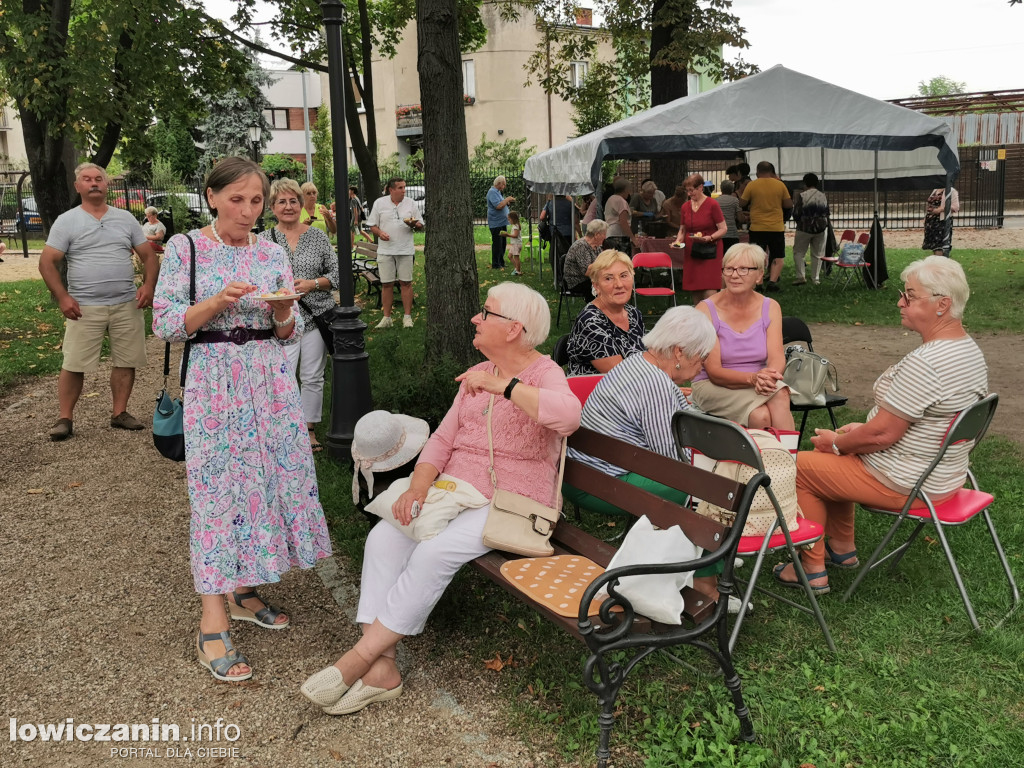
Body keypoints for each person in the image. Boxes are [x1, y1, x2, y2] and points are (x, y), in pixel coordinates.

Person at [300, 283, 581, 716]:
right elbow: (443, 439)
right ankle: (384, 668)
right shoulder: (477, 370)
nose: (476, 318)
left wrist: (503, 387)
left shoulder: (545, 374)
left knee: (434, 552)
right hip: (457, 491)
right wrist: (418, 486)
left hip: (513, 500)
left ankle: (357, 659)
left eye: (486, 313)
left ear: (514, 329)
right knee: (383, 540)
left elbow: (568, 417)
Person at [152, 157, 332, 682]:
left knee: (265, 485)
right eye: (237, 200)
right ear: (211, 196)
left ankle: (242, 588)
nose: (249, 211)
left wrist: (281, 311)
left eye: (256, 201)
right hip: (213, 384)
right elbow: (166, 323)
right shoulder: (185, 248)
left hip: (270, 385)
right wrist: (214, 301)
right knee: (217, 494)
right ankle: (212, 619)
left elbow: (288, 333)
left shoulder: (273, 252)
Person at [774, 256, 987, 595]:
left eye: (910, 295)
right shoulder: (967, 350)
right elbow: (918, 419)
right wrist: (856, 434)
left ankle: (810, 568)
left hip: (908, 481)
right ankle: (841, 549)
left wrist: (840, 443)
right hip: (943, 475)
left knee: (798, 467)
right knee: (832, 458)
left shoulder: (928, 362)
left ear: (942, 305)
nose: (900, 301)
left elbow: (883, 434)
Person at [562, 306, 744, 612]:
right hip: (600, 484)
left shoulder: (638, 362)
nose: (702, 367)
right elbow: (668, 463)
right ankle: (705, 580)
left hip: (582, 473)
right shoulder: (655, 384)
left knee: (699, 484)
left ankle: (704, 550)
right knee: (701, 488)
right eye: (700, 358)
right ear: (678, 352)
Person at [37, 162, 159, 441]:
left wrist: (148, 286)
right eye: (86, 179)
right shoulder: (67, 221)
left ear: (107, 185)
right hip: (83, 306)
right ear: (77, 186)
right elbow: (47, 263)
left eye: (99, 179)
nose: (94, 183)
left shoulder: (126, 218)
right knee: (74, 362)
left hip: (127, 303)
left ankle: (120, 413)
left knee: (126, 360)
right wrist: (63, 297)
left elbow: (148, 256)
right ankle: (65, 418)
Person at [260, 178, 340, 453]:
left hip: (316, 315)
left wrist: (313, 284)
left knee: (313, 375)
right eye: (281, 201)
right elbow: (256, 279)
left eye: (293, 200)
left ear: (302, 203)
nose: (288, 206)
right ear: (272, 207)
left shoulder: (317, 236)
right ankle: (284, 427)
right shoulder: (263, 241)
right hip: (282, 319)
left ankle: (308, 429)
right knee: (282, 375)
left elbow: (338, 275)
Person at [690, 243, 794, 430]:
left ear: (760, 275)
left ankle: (786, 458)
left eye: (744, 269)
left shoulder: (770, 307)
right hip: (713, 385)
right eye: (729, 268)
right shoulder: (705, 310)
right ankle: (768, 458)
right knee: (760, 415)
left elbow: (777, 357)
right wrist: (753, 379)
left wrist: (768, 378)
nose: (735, 275)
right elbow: (715, 372)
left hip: (760, 382)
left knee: (781, 394)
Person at [566, 249, 645, 377]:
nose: (619, 284)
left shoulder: (633, 314)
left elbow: (646, 360)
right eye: (608, 278)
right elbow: (622, 375)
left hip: (632, 391)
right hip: (595, 393)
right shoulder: (590, 321)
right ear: (596, 286)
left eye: (624, 275)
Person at [366, 177, 423, 329]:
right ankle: (387, 318)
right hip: (385, 250)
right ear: (391, 190)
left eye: (404, 187)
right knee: (386, 284)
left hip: (405, 249)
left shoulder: (410, 203)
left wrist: (414, 224)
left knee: (406, 283)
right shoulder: (380, 203)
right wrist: (380, 234)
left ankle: (407, 317)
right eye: (400, 188)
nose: (404, 190)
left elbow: (420, 224)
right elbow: (372, 225)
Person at [672, 173, 727, 304]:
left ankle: (712, 317)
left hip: (710, 249)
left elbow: (723, 228)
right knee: (695, 287)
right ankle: (698, 315)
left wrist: (710, 237)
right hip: (692, 250)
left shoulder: (712, 204)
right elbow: (682, 229)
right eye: (687, 191)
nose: (689, 194)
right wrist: (678, 241)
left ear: (701, 187)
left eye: (691, 190)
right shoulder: (685, 207)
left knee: (709, 287)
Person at [740, 161, 793, 292]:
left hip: (757, 227)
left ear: (758, 171)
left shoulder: (752, 185)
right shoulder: (780, 185)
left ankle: (758, 283)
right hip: (776, 227)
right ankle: (772, 282)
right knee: (777, 255)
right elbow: (788, 204)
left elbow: (742, 203)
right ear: (771, 171)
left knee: (756, 257)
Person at [791, 172, 830, 286]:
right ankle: (815, 279)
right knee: (818, 254)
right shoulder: (822, 195)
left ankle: (801, 276)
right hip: (821, 228)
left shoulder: (803, 195)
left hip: (804, 228)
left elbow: (797, 213)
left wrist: (799, 221)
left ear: (805, 183)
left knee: (799, 252)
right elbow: (827, 212)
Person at [562, 220, 608, 293]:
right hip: (576, 281)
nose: (605, 237)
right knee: (605, 284)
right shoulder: (581, 246)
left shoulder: (597, 246)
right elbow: (587, 272)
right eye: (604, 234)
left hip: (589, 279)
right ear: (597, 235)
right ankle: (599, 304)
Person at [486, 176, 515, 269]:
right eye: (504, 184)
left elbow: (501, 203)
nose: (504, 186)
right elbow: (498, 206)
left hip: (502, 222)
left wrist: (506, 202)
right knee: (497, 244)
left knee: (502, 243)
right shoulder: (492, 192)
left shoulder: (497, 192)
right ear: (499, 183)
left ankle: (501, 262)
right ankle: (496, 264)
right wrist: (507, 199)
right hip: (496, 223)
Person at [922, 187, 960, 257]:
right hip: (932, 221)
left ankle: (940, 263)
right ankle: (937, 262)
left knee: (939, 245)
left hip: (941, 221)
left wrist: (940, 209)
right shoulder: (935, 189)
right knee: (934, 245)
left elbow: (955, 207)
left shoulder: (951, 191)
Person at [604, 178, 636, 253]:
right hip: (619, 235)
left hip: (610, 233)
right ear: (625, 190)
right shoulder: (621, 201)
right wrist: (633, 238)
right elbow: (623, 221)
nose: (629, 193)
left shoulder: (611, 199)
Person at [715, 180, 742, 255]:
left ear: (721, 188)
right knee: (732, 258)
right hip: (732, 234)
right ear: (732, 189)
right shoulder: (735, 200)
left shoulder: (715, 201)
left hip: (719, 234)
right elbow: (740, 218)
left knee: (720, 257)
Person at [501, 211, 523, 275]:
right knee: (509, 256)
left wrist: (507, 235)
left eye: (509, 219)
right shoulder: (514, 226)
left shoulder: (516, 226)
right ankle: (516, 268)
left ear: (513, 219)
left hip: (516, 244)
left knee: (516, 257)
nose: (509, 221)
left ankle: (518, 271)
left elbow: (515, 235)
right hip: (514, 244)